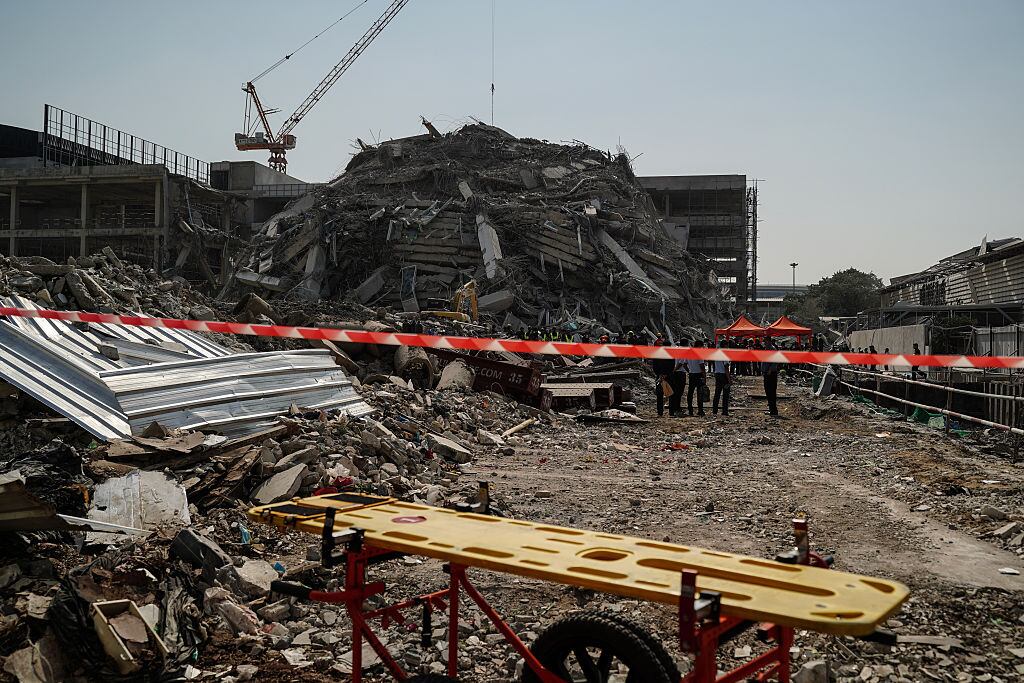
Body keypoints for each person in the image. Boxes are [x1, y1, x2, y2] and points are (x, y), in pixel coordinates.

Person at [651, 337, 683, 417]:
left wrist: (659, 374)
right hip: (669, 376)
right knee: (671, 394)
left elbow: (654, 366)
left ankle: (660, 412)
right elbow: (672, 366)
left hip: (660, 376)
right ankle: (671, 412)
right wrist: (666, 374)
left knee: (659, 394)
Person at [685, 340, 707, 416]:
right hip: (699, 375)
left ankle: (690, 410)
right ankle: (700, 410)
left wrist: (689, 370)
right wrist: (704, 376)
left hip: (692, 374)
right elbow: (702, 366)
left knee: (690, 392)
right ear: (700, 346)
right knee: (700, 393)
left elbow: (684, 364)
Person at [762, 338, 780, 416]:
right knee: (768, 392)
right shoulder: (766, 349)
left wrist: (770, 369)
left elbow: (775, 361)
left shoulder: (772, 349)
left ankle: (773, 411)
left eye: (765, 341)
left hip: (771, 373)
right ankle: (771, 409)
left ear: (769, 341)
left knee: (771, 391)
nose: (764, 343)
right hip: (766, 373)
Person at [712, 352, 731, 416]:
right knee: (725, 394)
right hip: (724, 376)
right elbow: (726, 368)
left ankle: (714, 410)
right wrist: (729, 379)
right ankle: (725, 411)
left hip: (718, 374)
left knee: (717, 393)